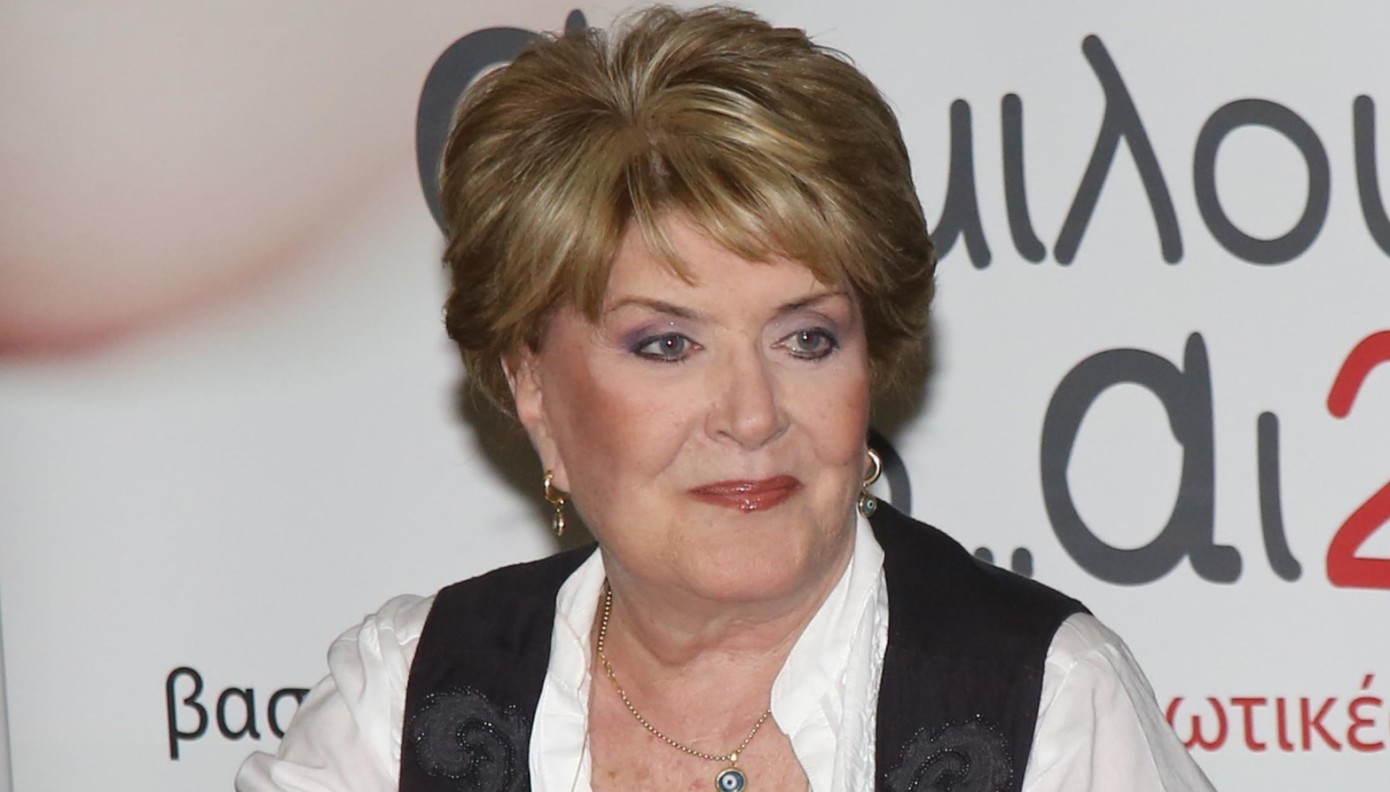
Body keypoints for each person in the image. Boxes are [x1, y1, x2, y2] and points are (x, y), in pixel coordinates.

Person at [237, 6, 1216, 791]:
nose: (751, 415)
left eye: (806, 339)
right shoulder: (409, 703)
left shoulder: (1043, 704)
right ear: (531, 387)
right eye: (668, 345)